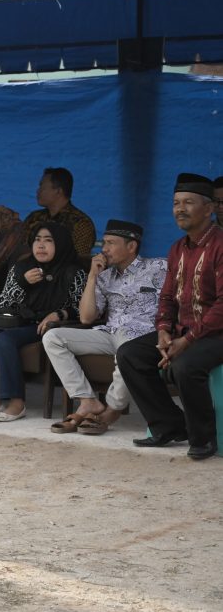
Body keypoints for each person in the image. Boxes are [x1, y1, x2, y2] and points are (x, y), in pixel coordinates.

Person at [117, 173, 223, 460]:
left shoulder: (221, 244)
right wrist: (164, 331)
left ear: (209, 209)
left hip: (216, 333)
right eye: (176, 202)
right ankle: (168, 425)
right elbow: (166, 297)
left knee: (185, 366)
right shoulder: (177, 248)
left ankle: (204, 437)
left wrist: (186, 340)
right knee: (130, 354)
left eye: (189, 202)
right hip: (183, 330)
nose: (180, 209)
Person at [42, 219, 167, 435]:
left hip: (141, 337)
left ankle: (112, 411)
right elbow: (87, 317)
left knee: (126, 351)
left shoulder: (159, 267)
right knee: (52, 337)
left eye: (111, 243)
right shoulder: (104, 276)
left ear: (131, 246)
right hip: (109, 334)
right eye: (104, 244)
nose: (104, 249)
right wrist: (92, 276)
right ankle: (87, 401)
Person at [0, 222, 86, 422]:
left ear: (61, 244)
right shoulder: (22, 267)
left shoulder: (73, 272)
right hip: (16, 321)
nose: (41, 246)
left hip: (45, 326)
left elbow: (83, 309)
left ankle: (16, 402)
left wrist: (60, 314)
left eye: (48, 241)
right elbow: (4, 302)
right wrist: (22, 282)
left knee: (5, 340)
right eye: (37, 240)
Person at [22, 167, 96, 260]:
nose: (38, 190)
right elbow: (21, 248)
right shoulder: (34, 218)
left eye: (42, 186)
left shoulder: (81, 223)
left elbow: (78, 261)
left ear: (58, 191)